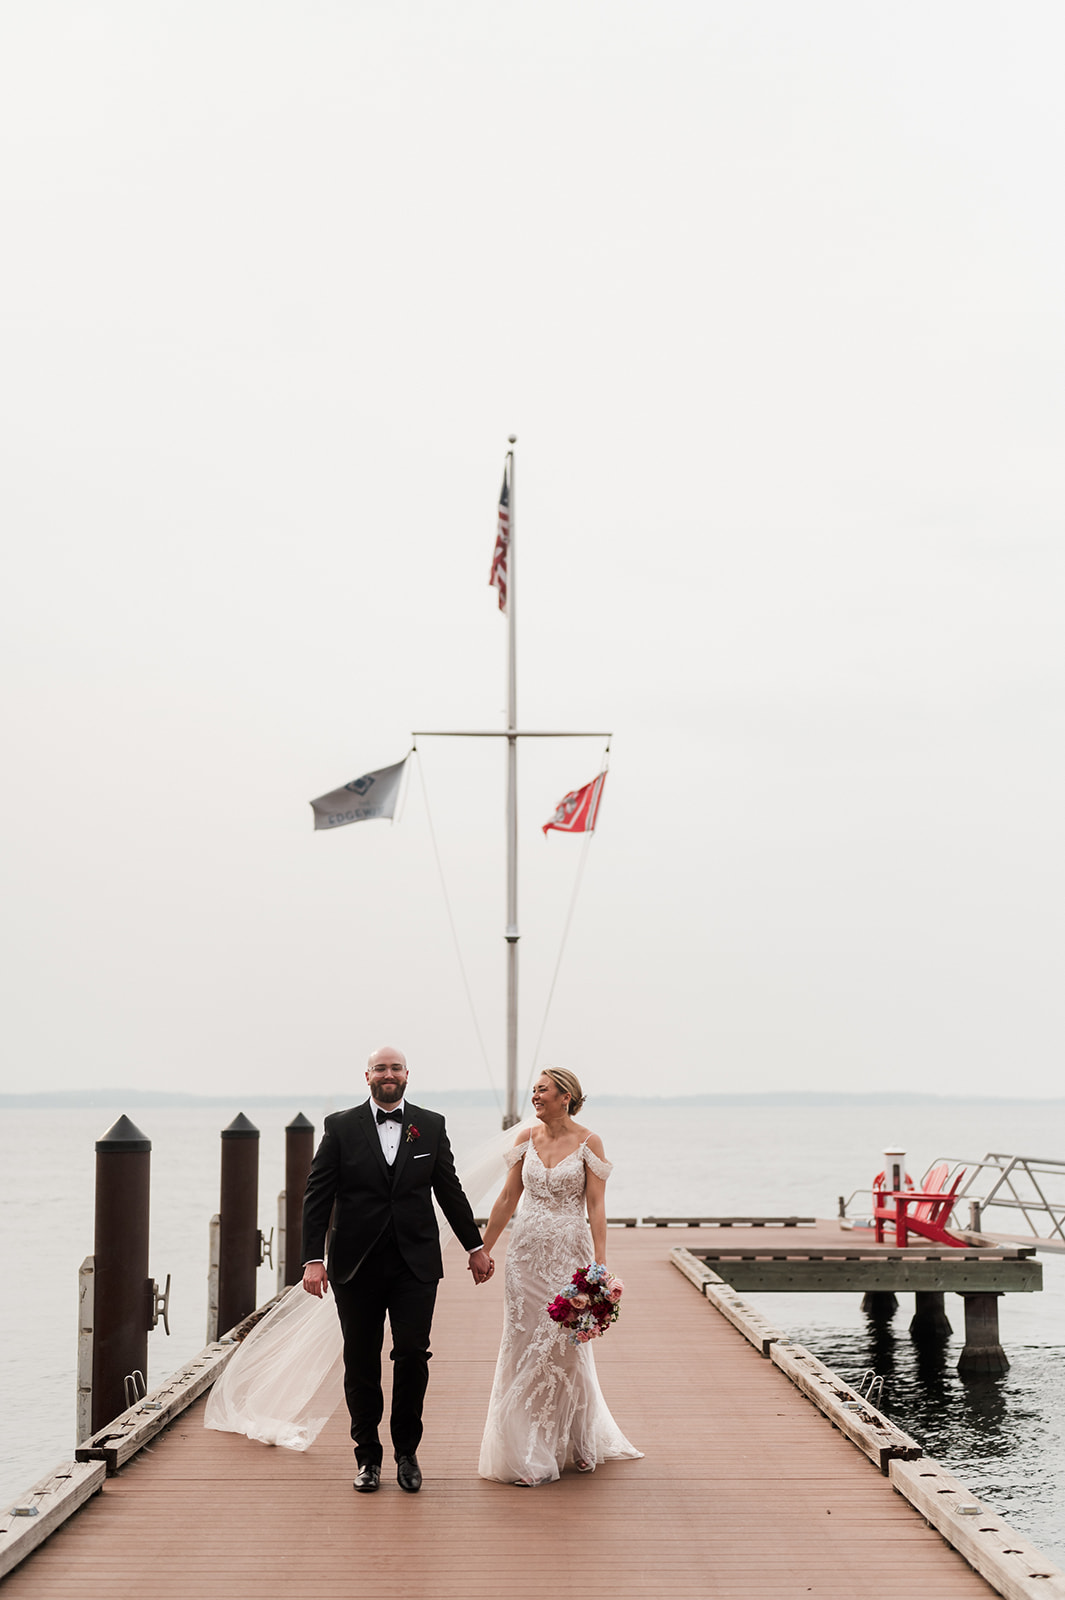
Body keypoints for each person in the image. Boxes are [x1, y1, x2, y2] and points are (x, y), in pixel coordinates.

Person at [300, 1044, 493, 1494]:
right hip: (355, 1266)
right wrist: (313, 1258)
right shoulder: (341, 1127)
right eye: (380, 1068)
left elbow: (449, 1189)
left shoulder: (430, 1125)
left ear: (408, 1074)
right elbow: (317, 1195)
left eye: (395, 1067)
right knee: (361, 1360)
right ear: (366, 1075)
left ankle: (407, 1453)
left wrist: (475, 1246)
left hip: (415, 1264)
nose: (388, 1074)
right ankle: (368, 1457)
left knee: (412, 1354)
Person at [476, 1067, 642, 1486]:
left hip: (570, 1254)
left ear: (565, 1096)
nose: (535, 1096)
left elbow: (597, 1207)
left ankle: (579, 1441)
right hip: (526, 1256)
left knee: (568, 1346)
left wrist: (599, 1266)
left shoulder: (589, 1142)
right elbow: (508, 1198)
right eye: (533, 1090)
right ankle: (524, 1445)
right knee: (522, 1342)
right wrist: (484, 1247)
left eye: (542, 1090)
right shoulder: (525, 1139)